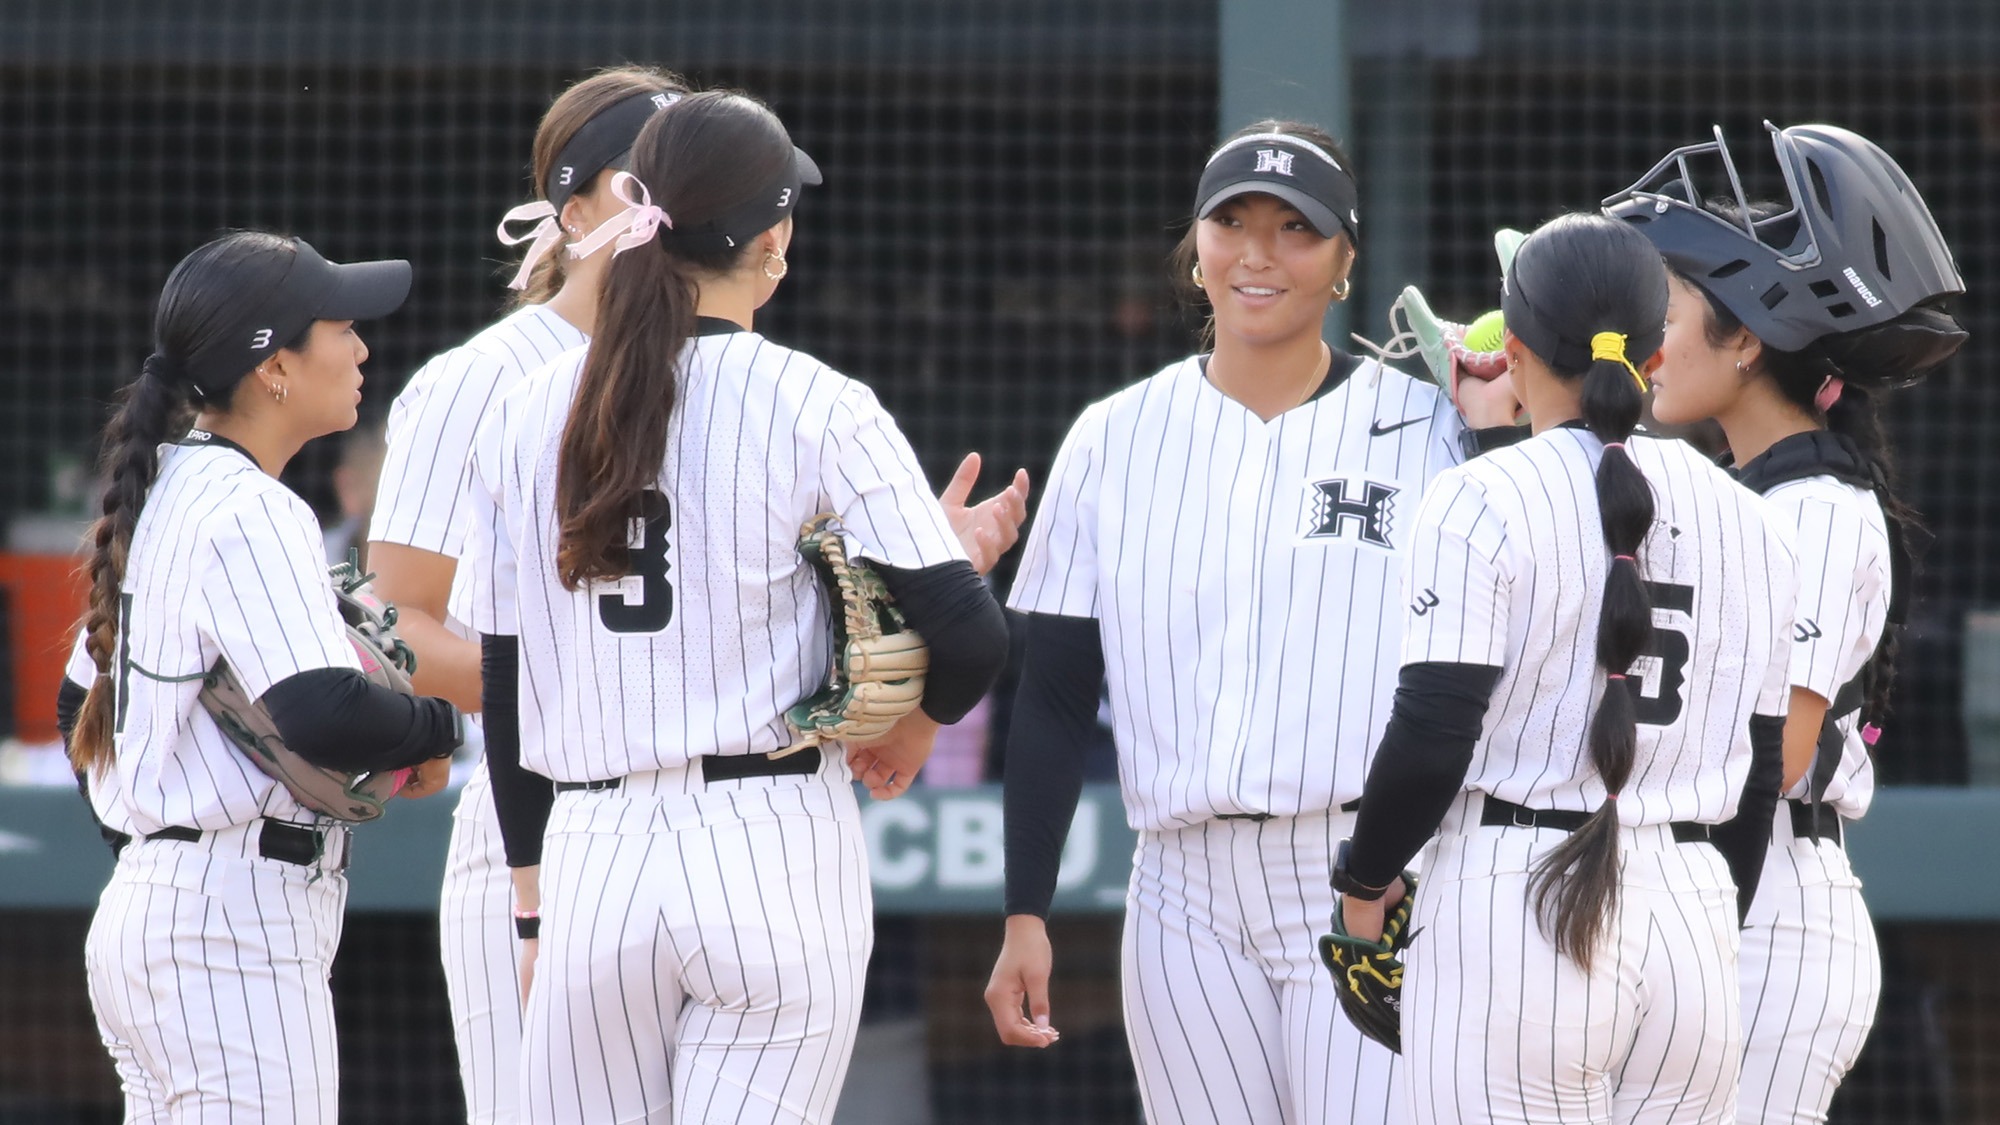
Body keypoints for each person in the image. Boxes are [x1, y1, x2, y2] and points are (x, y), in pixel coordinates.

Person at [366, 66, 1029, 1124]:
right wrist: (910, 726)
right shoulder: (811, 395)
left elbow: (510, 680)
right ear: (769, 242)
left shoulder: (530, 406)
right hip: (766, 836)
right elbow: (972, 635)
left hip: (589, 850)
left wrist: (533, 911)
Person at [985, 120, 1519, 1124]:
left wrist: (1499, 441)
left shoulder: (1430, 430)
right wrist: (1025, 913)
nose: (1258, 253)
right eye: (1230, 222)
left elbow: (1522, 630)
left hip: (1368, 872)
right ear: (1194, 248)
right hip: (1178, 889)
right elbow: (1053, 696)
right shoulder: (1111, 436)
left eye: (1295, 229)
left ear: (1346, 261)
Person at [1334, 213, 1798, 1124]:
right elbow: (1764, 765)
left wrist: (1363, 880)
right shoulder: (1754, 517)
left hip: (1521, 893)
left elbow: (1433, 732)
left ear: (1510, 350)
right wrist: (1709, 914)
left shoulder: (1479, 495)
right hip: (1693, 911)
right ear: (1657, 352)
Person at [1606, 122, 1969, 1124]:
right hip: (1701, 895)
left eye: (1666, 311)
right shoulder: (1722, 492)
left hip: (1766, 909)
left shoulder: (1811, 507)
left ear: (1746, 335)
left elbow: (1781, 747)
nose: (1646, 343)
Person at [60, 231, 467, 1122]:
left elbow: (72, 707)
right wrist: (439, 728)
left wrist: (152, 842)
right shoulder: (254, 506)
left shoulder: (161, 485)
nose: (361, 346)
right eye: (340, 328)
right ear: (275, 364)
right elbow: (321, 711)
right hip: (230, 925)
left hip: (156, 907)